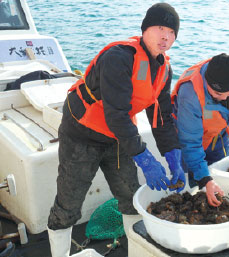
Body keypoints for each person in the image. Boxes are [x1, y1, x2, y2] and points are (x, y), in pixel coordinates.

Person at [47, 3, 186, 257]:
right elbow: (117, 114)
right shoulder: (119, 58)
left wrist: (173, 154)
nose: (165, 36)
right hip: (82, 133)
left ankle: (136, 252)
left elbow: (162, 117)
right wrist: (144, 157)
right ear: (145, 30)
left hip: (119, 137)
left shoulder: (164, 69)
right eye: (160, 28)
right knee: (69, 202)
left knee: (130, 195)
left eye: (172, 32)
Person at [171, 53, 229, 207]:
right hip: (188, 138)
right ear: (207, 82)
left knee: (221, 178)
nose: (225, 98)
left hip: (219, 134)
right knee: (195, 180)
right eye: (218, 93)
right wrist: (205, 179)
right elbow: (190, 143)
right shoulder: (190, 94)